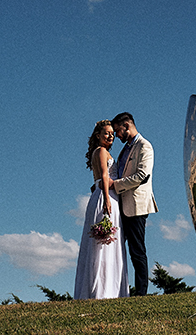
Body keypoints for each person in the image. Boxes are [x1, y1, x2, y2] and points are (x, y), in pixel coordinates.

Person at [74, 120, 129, 299]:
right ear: (98, 135)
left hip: (102, 193)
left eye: (112, 133)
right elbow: (104, 175)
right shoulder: (102, 151)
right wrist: (106, 198)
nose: (111, 136)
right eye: (107, 133)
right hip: (106, 196)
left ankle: (107, 288)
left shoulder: (98, 152)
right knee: (104, 243)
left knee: (106, 242)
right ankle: (102, 290)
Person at [111, 112, 158, 296]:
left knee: (137, 251)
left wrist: (115, 185)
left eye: (118, 131)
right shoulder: (126, 149)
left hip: (136, 206)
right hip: (121, 205)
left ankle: (141, 292)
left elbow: (142, 176)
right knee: (117, 249)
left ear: (127, 125)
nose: (117, 136)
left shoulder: (144, 146)